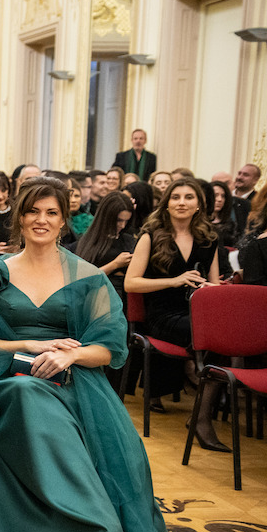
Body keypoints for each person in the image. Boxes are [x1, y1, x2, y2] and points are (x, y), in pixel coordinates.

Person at [0, 177, 216, 532]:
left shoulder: (89, 276)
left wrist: (70, 356)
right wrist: (29, 344)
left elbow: (109, 348)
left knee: (50, 405)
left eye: (51, 212)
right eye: (33, 211)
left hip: (74, 381)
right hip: (5, 380)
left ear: (64, 221)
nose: (41, 220)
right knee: (24, 392)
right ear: (20, 217)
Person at [125, 177, 227, 449]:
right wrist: (174, 281)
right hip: (162, 315)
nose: (182, 202)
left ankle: (199, 412)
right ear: (167, 204)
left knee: (223, 339)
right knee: (212, 340)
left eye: (189, 197)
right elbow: (131, 283)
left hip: (195, 313)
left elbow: (215, 285)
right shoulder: (151, 236)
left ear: (198, 205)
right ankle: (200, 407)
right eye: (176, 197)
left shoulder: (208, 239)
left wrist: (209, 287)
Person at [74, 193, 136, 294]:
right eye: (119, 220)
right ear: (107, 217)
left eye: (126, 221)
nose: (122, 225)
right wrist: (115, 264)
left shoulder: (129, 240)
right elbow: (83, 280)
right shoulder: (88, 243)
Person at [209, 179, 238, 247]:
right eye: (215, 195)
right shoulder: (198, 221)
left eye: (223, 196)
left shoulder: (230, 223)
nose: (220, 199)